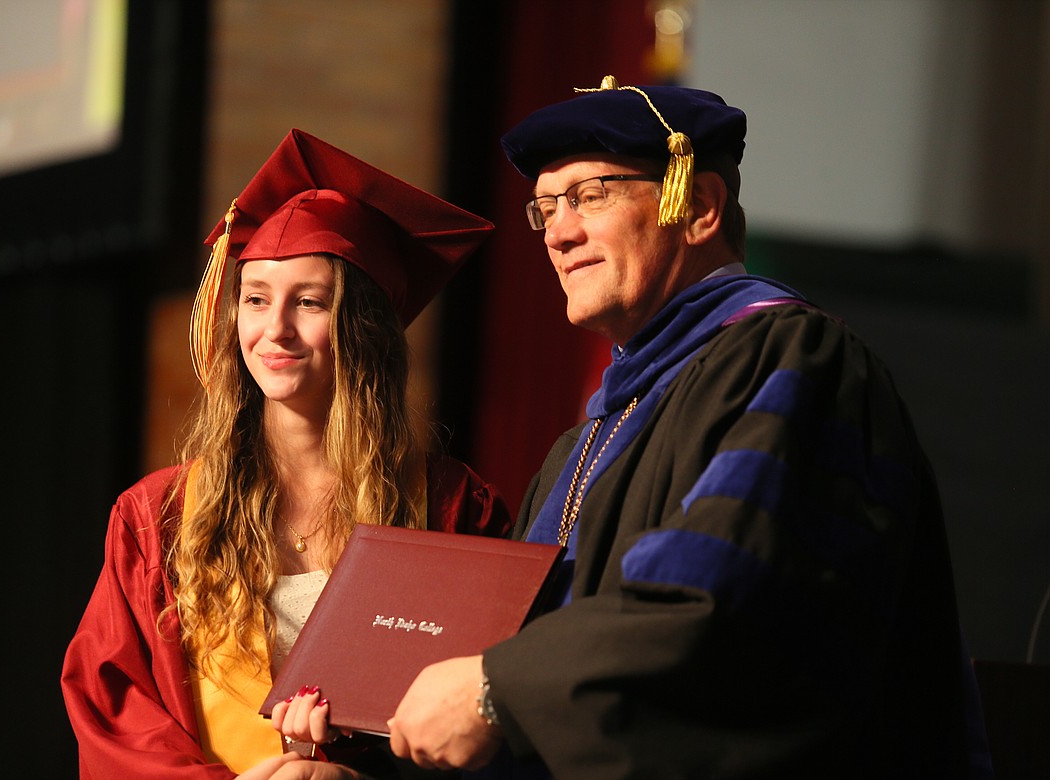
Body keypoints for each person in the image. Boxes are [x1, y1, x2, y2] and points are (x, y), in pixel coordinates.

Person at [385, 77, 993, 778]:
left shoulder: (789, 359)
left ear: (699, 206)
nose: (557, 232)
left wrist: (496, 688)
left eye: (590, 194)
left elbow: (724, 602)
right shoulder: (583, 443)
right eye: (546, 208)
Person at [61, 129, 512, 780]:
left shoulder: (449, 506)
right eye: (256, 299)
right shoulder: (156, 516)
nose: (275, 330)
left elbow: (482, 711)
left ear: (363, 327)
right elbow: (115, 710)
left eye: (308, 302)